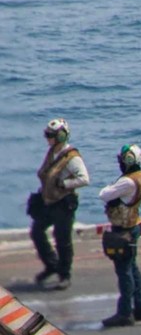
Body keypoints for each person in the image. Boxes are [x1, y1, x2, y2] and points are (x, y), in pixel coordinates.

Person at [29, 118, 90, 289]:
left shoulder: (72, 157)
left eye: (50, 135)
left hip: (63, 204)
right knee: (36, 232)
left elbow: (84, 179)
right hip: (48, 201)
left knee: (62, 240)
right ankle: (51, 265)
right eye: (47, 135)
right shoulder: (52, 152)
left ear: (61, 136)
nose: (47, 138)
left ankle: (64, 275)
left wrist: (65, 184)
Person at [98, 145, 141, 327]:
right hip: (134, 225)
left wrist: (110, 186)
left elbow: (103, 194)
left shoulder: (127, 182)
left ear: (128, 160)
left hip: (124, 230)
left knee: (124, 272)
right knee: (133, 269)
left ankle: (125, 312)